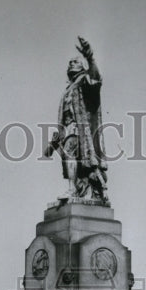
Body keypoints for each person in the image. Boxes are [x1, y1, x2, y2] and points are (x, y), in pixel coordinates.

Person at [44, 36, 107, 201]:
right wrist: (52, 144)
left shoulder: (84, 81)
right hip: (69, 128)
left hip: (80, 129)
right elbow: (64, 120)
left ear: (83, 67)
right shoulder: (68, 90)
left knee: (70, 153)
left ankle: (72, 190)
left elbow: (96, 79)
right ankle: (77, 189)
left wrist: (90, 57)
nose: (71, 63)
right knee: (71, 157)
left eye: (75, 61)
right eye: (70, 62)